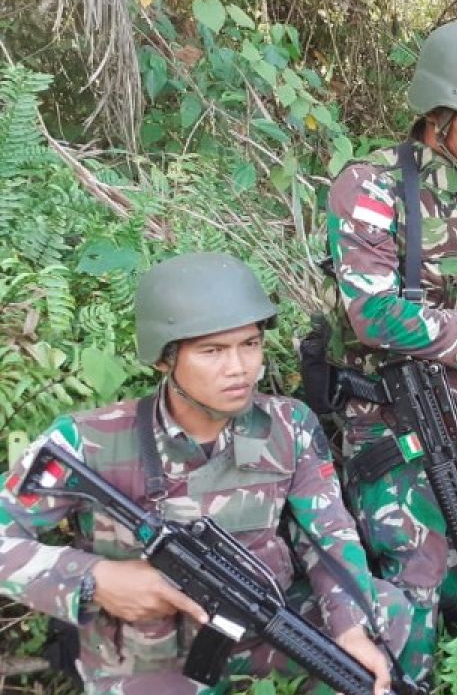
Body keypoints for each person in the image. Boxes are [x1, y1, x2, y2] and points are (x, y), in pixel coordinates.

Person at [0, 252, 410, 695]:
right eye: (212, 350)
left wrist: (349, 629)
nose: (239, 368)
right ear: (164, 358)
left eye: (249, 344)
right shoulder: (86, 441)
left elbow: (329, 537)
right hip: (151, 651)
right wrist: (94, 577)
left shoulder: (289, 426)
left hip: (261, 623)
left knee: (384, 614)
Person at [324, 21, 457, 683]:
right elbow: (372, 314)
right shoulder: (373, 186)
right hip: (393, 416)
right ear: (438, 111)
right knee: (412, 577)